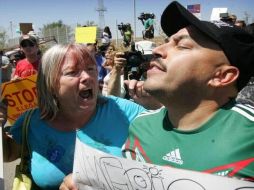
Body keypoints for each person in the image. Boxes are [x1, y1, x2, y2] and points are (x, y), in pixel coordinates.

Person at [122, 1, 254, 181]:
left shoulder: (249, 133)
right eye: (166, 42)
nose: (158, 50)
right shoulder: (140, 128)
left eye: (182, 46)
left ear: (222, 76)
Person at [0, 44, 146, 189]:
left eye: (91, 69)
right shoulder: (30, 122)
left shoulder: (124, 111)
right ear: (50, 83)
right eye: (72, 72)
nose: (87, 77)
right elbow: (8, 154)